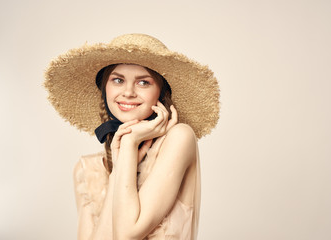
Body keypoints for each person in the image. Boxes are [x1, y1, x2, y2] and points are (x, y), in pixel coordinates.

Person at [44, 33, 220, 240]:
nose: (128, 92)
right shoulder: (87, 170)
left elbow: (128, 234)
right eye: (118, 80)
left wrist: (128, 143)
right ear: (104, 89)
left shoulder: (179, 138)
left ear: (161, 93)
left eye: (143, 82)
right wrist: (120, 166)